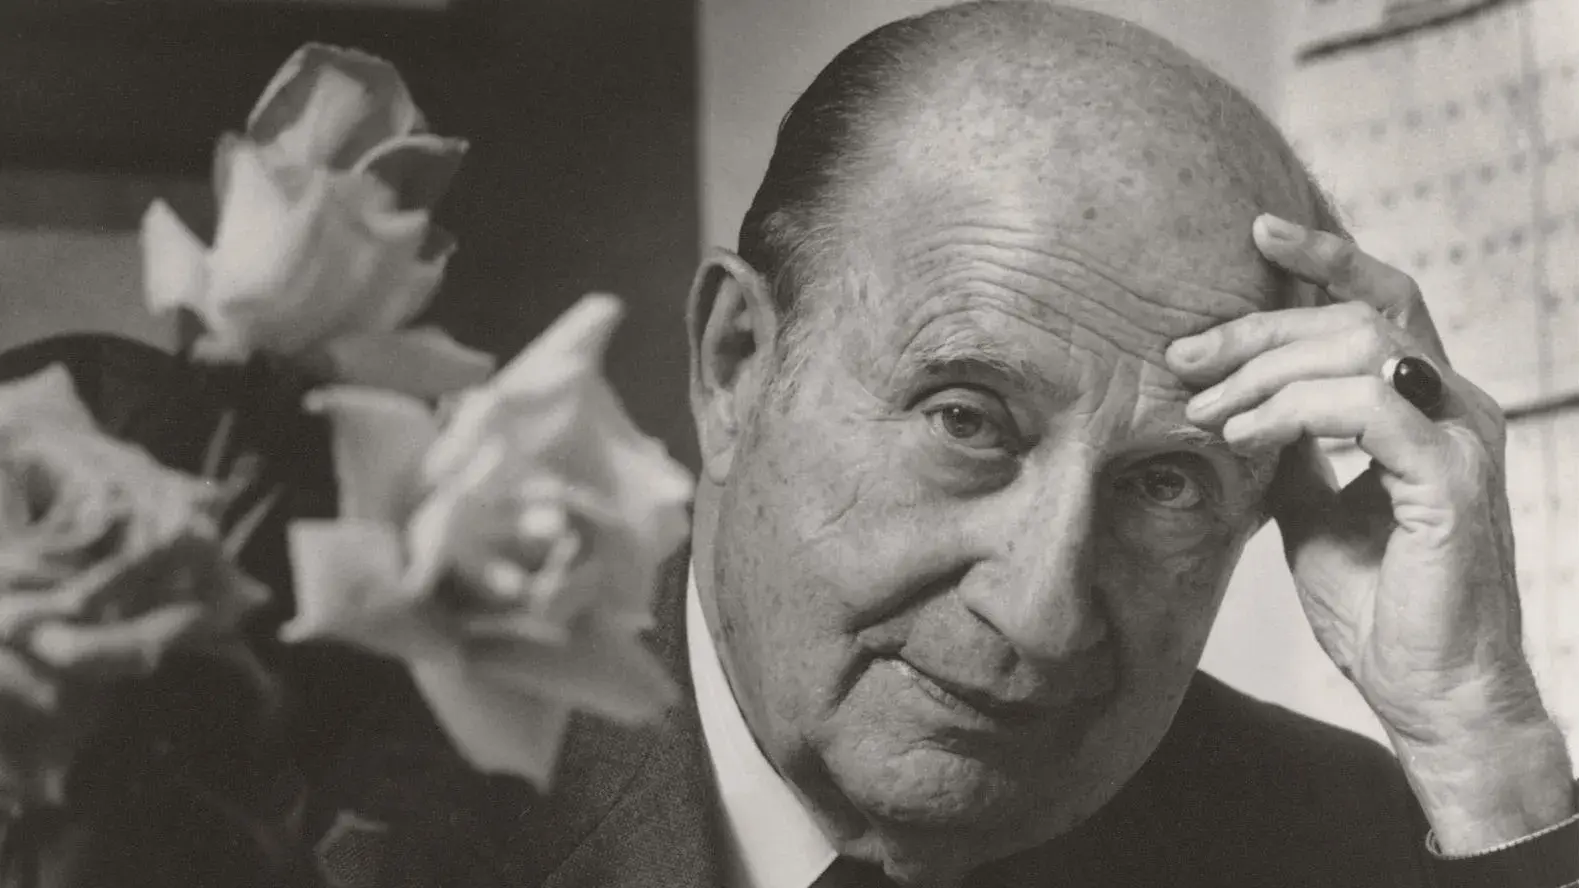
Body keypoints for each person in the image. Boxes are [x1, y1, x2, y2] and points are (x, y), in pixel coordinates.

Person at [169, 2, 1579, 886]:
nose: (1037, 610)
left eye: (1164, 483)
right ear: (735, 367)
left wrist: (1475, 734)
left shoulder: (1339, 848)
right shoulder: (308, 812)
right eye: (967, 422)